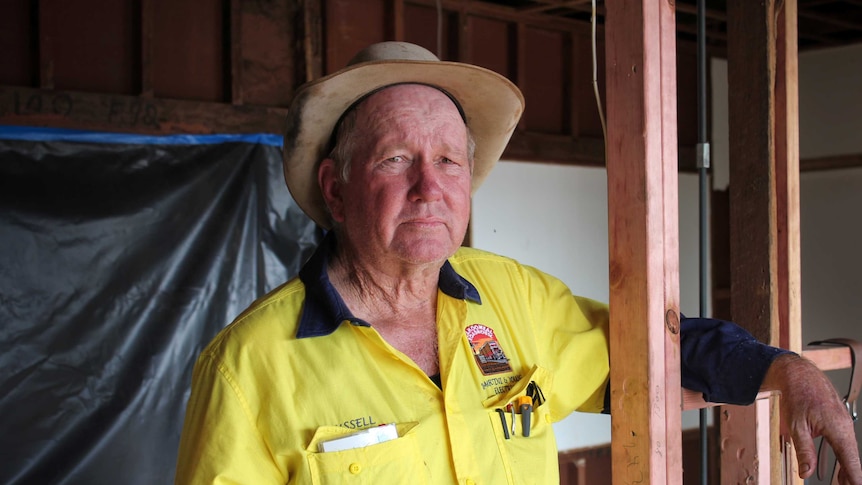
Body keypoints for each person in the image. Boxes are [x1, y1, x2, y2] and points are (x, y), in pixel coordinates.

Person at [174, 41, 861, 484]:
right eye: (394, 159)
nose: (429, 185)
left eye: (449, 161)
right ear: (335, 188)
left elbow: (661, 350)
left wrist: (784, 369)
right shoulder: (248, 367)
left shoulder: (513, 300)